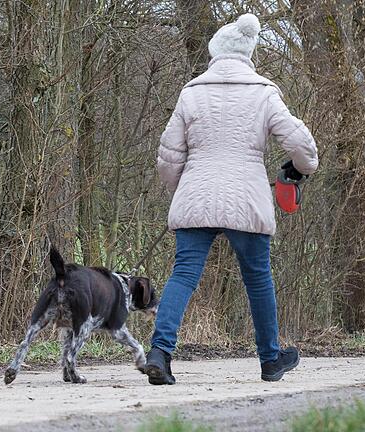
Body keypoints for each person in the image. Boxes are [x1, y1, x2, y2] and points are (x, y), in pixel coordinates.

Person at [144, 13, 319, 385]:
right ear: (248, 53)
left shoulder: (192, 91)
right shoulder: (263, 92)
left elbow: (169, 156)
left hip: (197, 193)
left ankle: (160, 352)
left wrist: (183, 190)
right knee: (257, 279)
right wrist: (301, 168)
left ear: (215, 52)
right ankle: (270, 359)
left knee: (184, 274)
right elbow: (300, 144)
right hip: (247, 198)